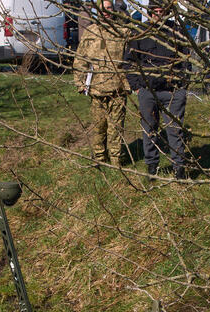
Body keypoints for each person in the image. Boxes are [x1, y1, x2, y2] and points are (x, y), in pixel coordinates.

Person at [123, 0, 191, 178]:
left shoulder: (177, 31)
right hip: (147, 91)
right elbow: (129, 62)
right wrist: (137, 87)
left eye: (162, 11)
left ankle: (179, 168)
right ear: (149, 12)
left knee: (175, 130)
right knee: (149, 129)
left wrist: (183, 85)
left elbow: (186, 59)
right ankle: (152, 167)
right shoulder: (139, 32)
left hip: (173, 91)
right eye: (155, 11)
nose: (158, 14)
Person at [74, 0, 130, 167]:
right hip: (97, 91)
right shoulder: (90, 32)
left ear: (113, 10)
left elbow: (131, 61)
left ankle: (115, 162)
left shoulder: (122, 32)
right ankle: (99, 160)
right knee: (99, 129)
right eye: (101, 9)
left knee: (116, 129)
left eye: (108, 8)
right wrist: (80, 82)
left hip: (117, 91)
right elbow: (80, 60)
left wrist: (128, 84)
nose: (105, 12)